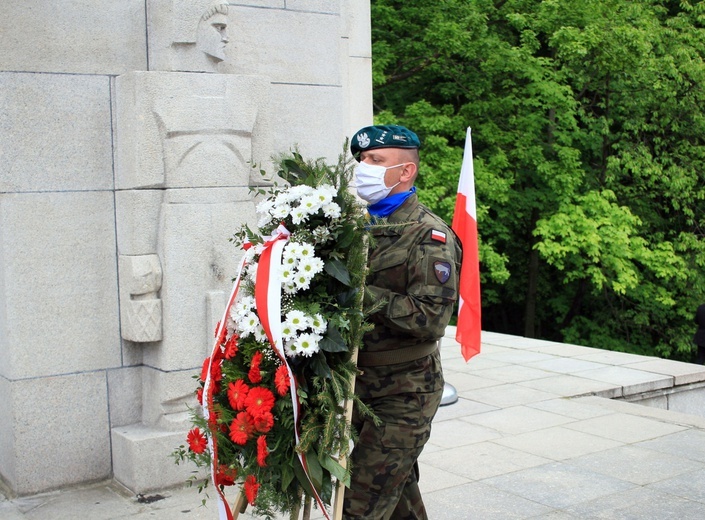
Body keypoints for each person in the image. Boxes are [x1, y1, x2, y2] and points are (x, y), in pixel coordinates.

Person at [343, 125, 462, 519]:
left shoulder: (429, 236)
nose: (364, 167)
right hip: (360, 387)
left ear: (406, 172)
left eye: (376, 161)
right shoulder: (357, 227)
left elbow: (430, 318)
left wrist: (357, 293)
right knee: (397, 503)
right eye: (362, 160)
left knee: (358, 505)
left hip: (405, 391)